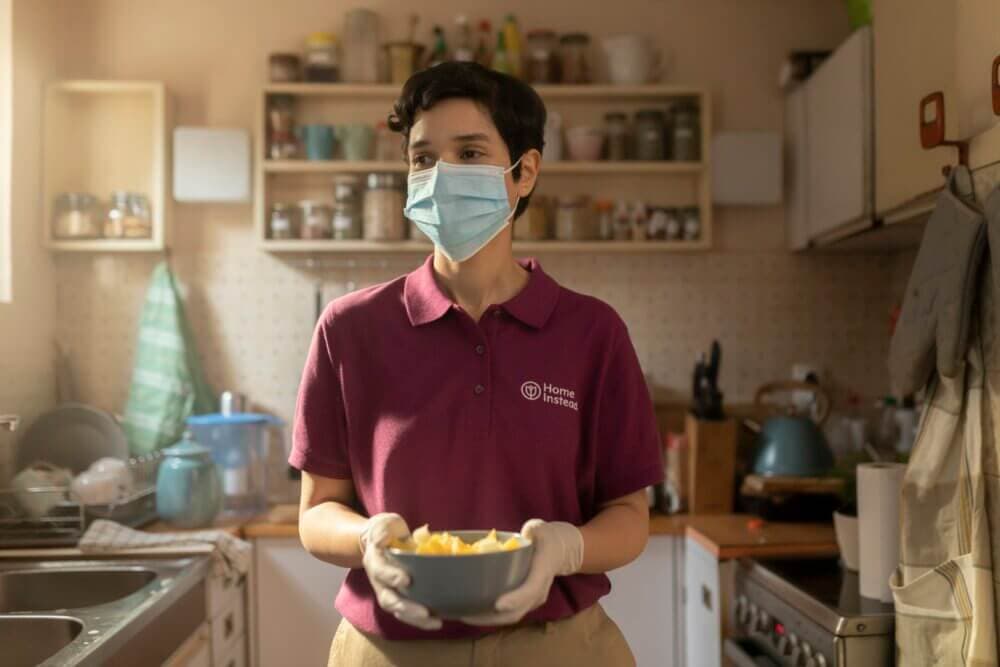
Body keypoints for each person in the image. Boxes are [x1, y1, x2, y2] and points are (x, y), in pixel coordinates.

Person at [290, 61, 664, 667]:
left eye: (469, 152)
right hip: (388, 648)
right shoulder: (350, 329)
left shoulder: (594, 333)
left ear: (525, 172)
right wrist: (365, 539)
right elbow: (315, 513)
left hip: (558, 648)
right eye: (422, 158)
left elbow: (629, 516)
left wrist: (564, 550)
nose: (440, 176)